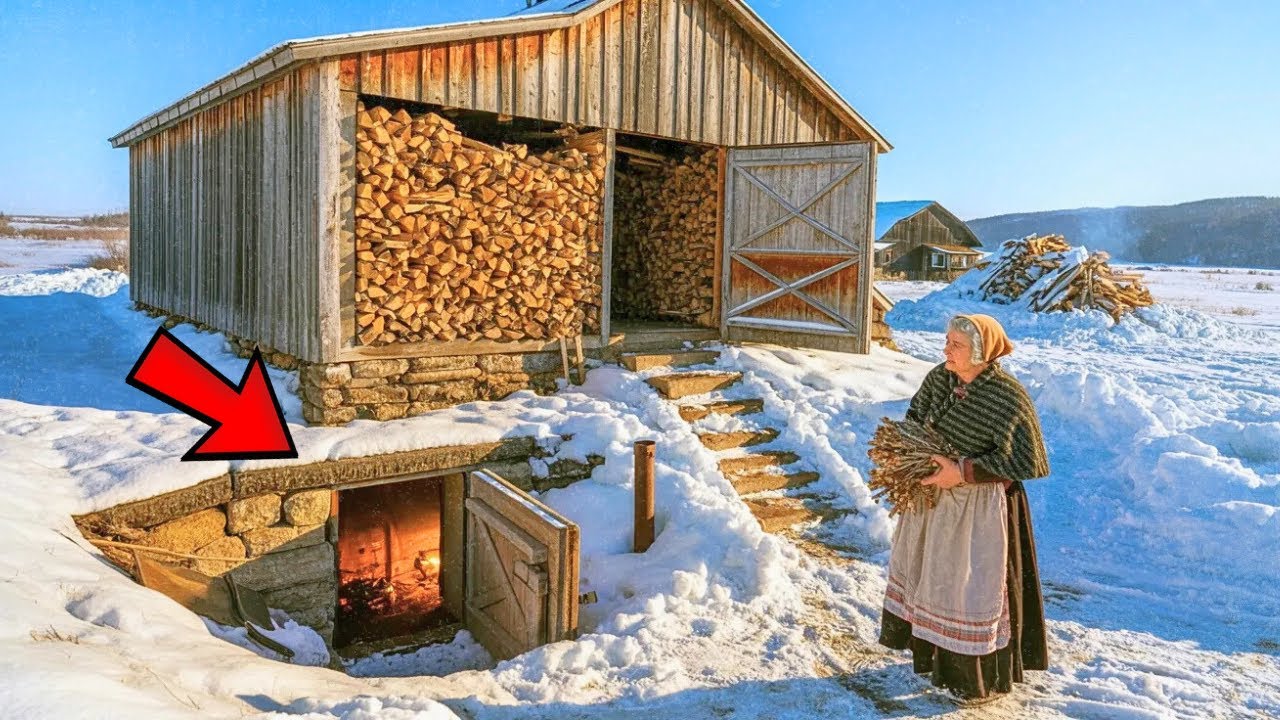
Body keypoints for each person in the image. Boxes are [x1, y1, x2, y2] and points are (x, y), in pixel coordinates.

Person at [878, 313, 1051, 705]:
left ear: (982, 352)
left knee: (970, 588)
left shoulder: (1007, 397)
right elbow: (915, 419)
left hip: (982, 509)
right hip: (935, 501)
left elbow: (1030, 462)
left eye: (955, 345)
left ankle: (978, 678)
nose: (946, 350)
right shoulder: (940, 378)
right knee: (937, 578)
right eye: (947, 341)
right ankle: (938, 659)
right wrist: (917, 456)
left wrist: (963, 472)